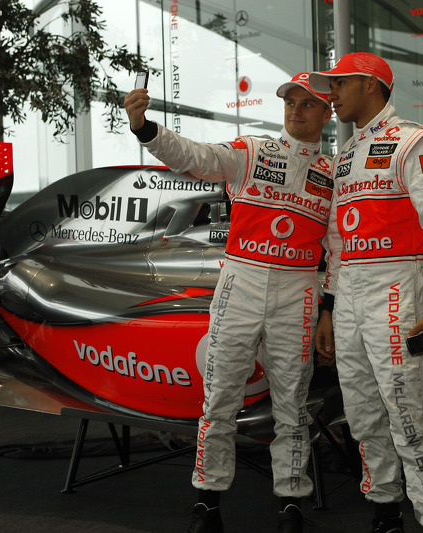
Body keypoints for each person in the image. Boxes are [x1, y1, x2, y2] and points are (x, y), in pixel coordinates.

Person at [124, 73, 334, 533]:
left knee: (292, 405)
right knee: (219, 398)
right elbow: (195, 158)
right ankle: (207, 504)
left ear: (327, 112)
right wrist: (145, 128)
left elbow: (334, 253)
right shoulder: (253, 151)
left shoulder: (334, 174)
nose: (296, 110)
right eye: (290, 102)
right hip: (242, 281)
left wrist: (327, 311)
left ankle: (291, 504)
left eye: (308, 104)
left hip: (299, 291)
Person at [310, 53, 423, 533]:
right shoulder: (345, 157)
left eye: (339, 85)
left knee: (409, 411)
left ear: (372, 86)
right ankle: (384, 511)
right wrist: (330, 308)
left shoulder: (416, 142)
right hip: (352, 289)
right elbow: (336, 242)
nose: (331, 95)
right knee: (361, 411)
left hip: (400, 284)